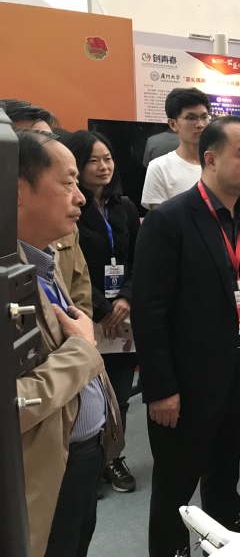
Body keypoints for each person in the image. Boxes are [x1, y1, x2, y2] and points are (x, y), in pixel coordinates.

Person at [132, 115, 240, 557]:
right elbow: (149, 312)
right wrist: (160, 389)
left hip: (237, 377)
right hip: (185, 386)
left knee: (225, 480)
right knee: (175, 492)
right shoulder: (168, 220)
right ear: (210, 159)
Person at [15, 129, 123, 557]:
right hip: (41, 469)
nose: (80, 197)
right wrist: (82, 350)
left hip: (80, 452)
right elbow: (13, 403)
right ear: (17, 191)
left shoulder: (42, 258)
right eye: (68, 183)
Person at [62, 130, 140, 494]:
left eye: (107, 158)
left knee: (120, 394)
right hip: (84, 313)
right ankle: (89, 463)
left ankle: (113, 456)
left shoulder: (125, 207)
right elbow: (69, 269)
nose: (103, 166)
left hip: (124, 316)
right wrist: (102, 307)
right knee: (87, 395)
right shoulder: (70, 209)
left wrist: (125, 297)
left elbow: (139, 259)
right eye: (93, 160)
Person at [0, 98, 93, 317]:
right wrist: (78, 337)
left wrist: (81, 328)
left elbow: (79, 287)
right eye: (31, 138)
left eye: (49, 137)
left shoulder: (58, 231)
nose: (80, 198)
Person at [140, 87, 211, 210]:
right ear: (173, 124)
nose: (200, 125)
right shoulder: (159, 168)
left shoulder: (221, 163)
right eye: (191, 118)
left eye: (204, 117)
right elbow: (160, 218)